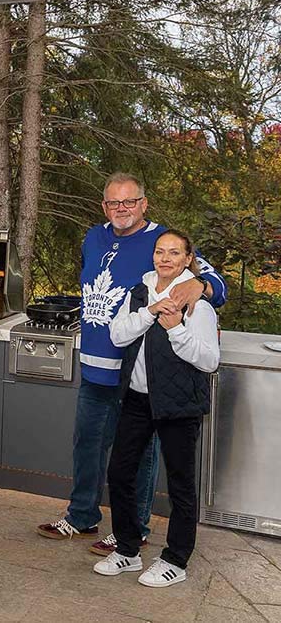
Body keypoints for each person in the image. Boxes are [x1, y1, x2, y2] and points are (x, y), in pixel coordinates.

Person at [37, 173, 226, 555]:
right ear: (104, 206)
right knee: (87, 445)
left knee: (136, 456)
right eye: (112, 203)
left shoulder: (160, 243)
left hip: (134, 374)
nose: (120, 209)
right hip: (92, 365)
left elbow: (215, 286)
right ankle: (82, 515)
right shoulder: (94, 236)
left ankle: (134, 530)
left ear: (143, 203)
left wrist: (199, 286)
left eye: (128, 202)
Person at [94, 229, 218, 586]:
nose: (165, 258)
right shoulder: (138, 293)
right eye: (160, 251)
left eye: (174, 253)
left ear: (187, 259)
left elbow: (209, 360)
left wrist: (177, 328)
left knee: (180, 484)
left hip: (179, 404)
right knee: (120, 473)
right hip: (136, 398)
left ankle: (176, 560)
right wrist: (149, 313)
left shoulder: (198, 302)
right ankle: (128, 551)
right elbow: (118, 335)